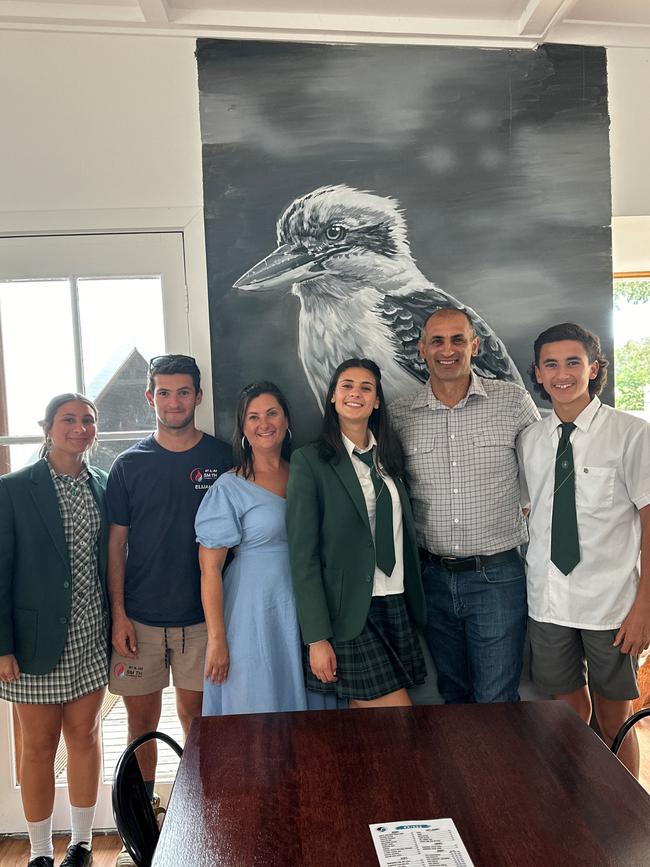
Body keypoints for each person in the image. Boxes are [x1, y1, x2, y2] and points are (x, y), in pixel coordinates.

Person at [105, 354, 231, 866]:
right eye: (164, 392)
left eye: (183, 392)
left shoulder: (224, 457)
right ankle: (146, 821)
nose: (174, 401)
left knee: (198, 721)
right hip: (140, 620)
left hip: (202, 620)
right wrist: (118, 613)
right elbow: (115, 545)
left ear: (198, 396)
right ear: (149, 397)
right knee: (142, 724)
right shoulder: (130, 465)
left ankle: (195, 817)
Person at [519, 322, 650, 776]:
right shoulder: (531, 440)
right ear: (536, 373)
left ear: (594, 368)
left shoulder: (631, 434)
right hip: (549, 601)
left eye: (573, 362)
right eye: (550, 364)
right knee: (567, 711)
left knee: (618, 718)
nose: (562, 373)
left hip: (612, 604)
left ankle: (627, 816)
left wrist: (644, 607)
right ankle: (578, 805)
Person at [391, 307, 540, 704]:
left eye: (458, 339)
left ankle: (499, 770)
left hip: (498, 577)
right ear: (421, 348)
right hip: (431, 578)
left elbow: (544, 473)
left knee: (496, 698)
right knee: (453, 694)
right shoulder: (401, 414)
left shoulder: (511, 401)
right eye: (437, 341)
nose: (447, 350)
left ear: (475, 345)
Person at [0, 394, 109, 867]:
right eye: (69, 419)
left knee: (84, 737)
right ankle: (41, 852)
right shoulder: (13, 489)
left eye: (88, 420)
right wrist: (2, 646)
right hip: (33, 642)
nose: (79, 428)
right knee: (39, 748)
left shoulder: (103, 485)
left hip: (90, 633)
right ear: (47, 427)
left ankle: (82, 846)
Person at [287, 358, 426, 707]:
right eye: (347, 385)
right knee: (398, 714)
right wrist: (316, 638)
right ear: (333, 396)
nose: (356, 393)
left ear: (377, 400)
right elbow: (304, 556)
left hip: (395, 600)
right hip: (347, 613)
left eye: (366, 388)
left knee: (367, 725)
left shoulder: (391, 458)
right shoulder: (311, 461)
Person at [195, 381, 309, 714]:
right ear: (243, 428)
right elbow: (210, 569)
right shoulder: (230, 486)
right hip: (252, 612)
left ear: (286, 420)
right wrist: (217, 639)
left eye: (272, 413)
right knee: (256, 703)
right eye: (253, 417)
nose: (264, 424)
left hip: (305, 606)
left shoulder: (305, 474)